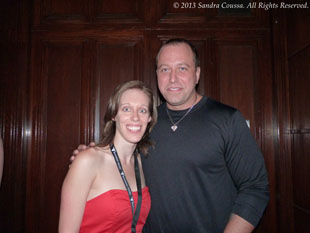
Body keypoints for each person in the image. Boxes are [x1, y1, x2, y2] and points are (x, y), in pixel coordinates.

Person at [73, 39, 269, 233]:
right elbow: (117, 160)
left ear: (197, 74)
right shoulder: (145, 122)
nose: (172, 78)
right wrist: (90, 158)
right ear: (157, 74)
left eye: (182, 68)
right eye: (165, 69)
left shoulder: (226, 119)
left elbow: (255, 187)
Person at [59, 80, 158, 233]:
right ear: (113, 115)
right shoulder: (88, 161)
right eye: (126, 109)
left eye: (143, 110)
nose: (135, 117)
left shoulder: (141, 162)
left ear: (150, 118)